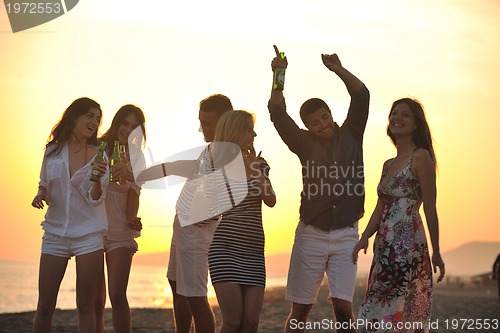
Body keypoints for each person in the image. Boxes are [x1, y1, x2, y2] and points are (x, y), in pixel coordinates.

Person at [268, 45, 370, 333]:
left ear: (330, 114)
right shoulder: (303, 144)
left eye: (324, 117)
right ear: (308, 128)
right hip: (310, 234)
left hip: (347, 234)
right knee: (300, 311)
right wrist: (279, 74)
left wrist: (338, 69)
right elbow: (277, 112)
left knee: (344, 312)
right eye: (314, 123)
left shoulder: (352, 133)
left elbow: (361, 95)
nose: (322, 125)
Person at [136, 94, 233, 333]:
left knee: (196, 297)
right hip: (183, 226)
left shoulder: (229, 152)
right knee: (176, 284)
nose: (201, 128)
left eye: (207, 122)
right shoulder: (212, 150)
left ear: (223, 122)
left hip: (199, 231)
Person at [352, 98, 445, 332]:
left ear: (416, 125)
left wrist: (437, 251)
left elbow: (430, 207)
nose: (397, 118)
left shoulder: (420, 157)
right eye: (394, 113)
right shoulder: (388, 164)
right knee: (378, 306)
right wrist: (365, 236)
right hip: (384, 246)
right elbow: (380, 206)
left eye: (405, 115)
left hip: (407, 245)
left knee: (395, 309)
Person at [31, 97, 108, 333]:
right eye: (90, 116)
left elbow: (97, 198)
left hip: (88, 235)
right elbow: (44, 182)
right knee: (45, 305)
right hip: (54, 233)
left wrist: (97, 179)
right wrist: (40, 194)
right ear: (74, 116)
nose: (94, 122)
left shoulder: (100, 155)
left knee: (85, 305)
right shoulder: (52, 150)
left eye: (98, 119)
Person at [207, 110, 276, 332]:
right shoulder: (215, 164)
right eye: (249, 129)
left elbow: (271, 200)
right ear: (236, 131)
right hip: (225, 250)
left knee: (251, 323)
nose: (254, 134)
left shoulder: (260, 164)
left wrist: (256, 169)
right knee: (233, 322)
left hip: (254, 253)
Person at [95, 104, 146, 333]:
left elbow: (134, 193)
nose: (128, 129)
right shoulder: (97, 147)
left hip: (120, 230)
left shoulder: (138, 157)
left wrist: (131, 219)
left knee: (117, 294)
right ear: (117, 122)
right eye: (125, 123)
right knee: (96, 299)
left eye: (135, 127)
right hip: (93, 228)